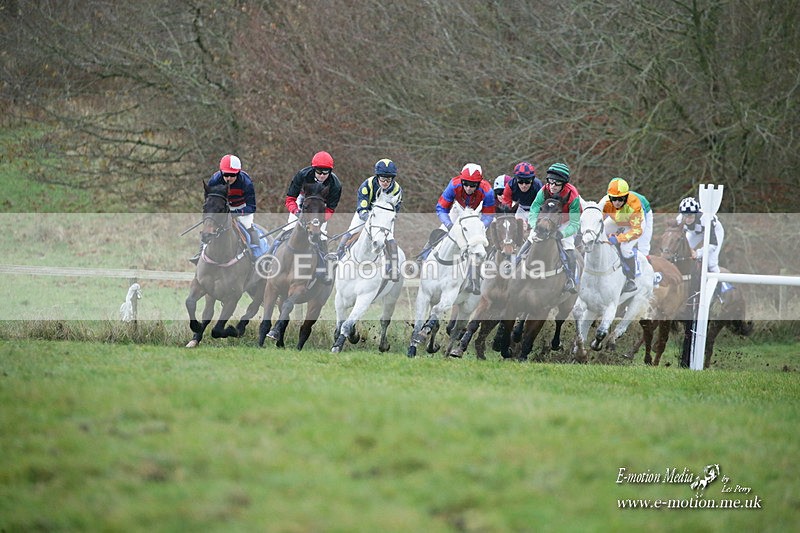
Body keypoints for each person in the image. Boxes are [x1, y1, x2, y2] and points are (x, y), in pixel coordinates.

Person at [420, 163, 496, 294]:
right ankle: (424, 256)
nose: (468, 187)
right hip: (458, 210)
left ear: (479, 183)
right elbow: (441, 208)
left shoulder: (487, 190)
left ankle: (475, 278)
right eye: (465, 183)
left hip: (476, 214)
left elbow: (489, 215)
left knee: (478, 244)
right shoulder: (454, 184)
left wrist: (478, 229)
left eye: (472, 185)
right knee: (441, 230)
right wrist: (449, 225)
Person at [336, 158, 403, 280]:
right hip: (365, 213)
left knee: (390, 238)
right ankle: (336, 257)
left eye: (388, 179)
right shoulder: (367, 184)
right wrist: (369, 219)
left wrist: (386, 219)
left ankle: (393, 268)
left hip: (384, 216)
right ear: (377, 176)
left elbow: (395, 208)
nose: (385, 182)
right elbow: (362, 205)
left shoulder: (397, 190)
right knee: (350, 232)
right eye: (382, 178)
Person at [283, 150, 343, 281]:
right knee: (288, 229)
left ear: (330, 172)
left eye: (325, 173)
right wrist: (297, 212)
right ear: (313, 169)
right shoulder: (302, 175)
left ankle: (324, 268)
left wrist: (319, 220)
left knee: (320, 235)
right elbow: (290, 199)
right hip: (302, 204)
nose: (322, 175)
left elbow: (331, 209)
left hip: (320, 209)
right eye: (319, 172)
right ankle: (271, 254)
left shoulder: (335, 184)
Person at [189, 154, 258, 265]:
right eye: (226, 174)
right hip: (221, 208)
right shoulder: (215, 180)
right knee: (209, 228)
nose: (229, 178)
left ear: (238, 173)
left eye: (232, 175)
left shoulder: (246, 183)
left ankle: (256, 255)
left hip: (241, 208)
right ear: (221, 172)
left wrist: (235, 213)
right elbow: (209, 201)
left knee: (249, 228)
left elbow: (252, 207)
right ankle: (200, 254)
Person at [524, 162, 582, 293]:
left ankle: (571, 279)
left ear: (564, 184)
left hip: (565, 221)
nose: (553, 186)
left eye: (557, 183)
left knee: (568, 245)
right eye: (550, 181)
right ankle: (515, 264)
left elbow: (574, 224)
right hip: (546, 219)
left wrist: (562, 234)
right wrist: (534, 225)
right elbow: (534, 210)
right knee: (531, 238)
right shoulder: (544, 190)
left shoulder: (573, 196)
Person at [600, 177, 653, 293]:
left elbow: (636, 231)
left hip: (636, 222)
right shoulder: (605, 202)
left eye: (621, 199)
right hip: (618, 218)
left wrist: (618, 238)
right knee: (601, 231)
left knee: (625, 247)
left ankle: (631, 279)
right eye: (614, 199)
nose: (617, 202)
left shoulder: (634, 204)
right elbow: (598, 220)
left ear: (626, 197)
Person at [677, 196, 724, 273]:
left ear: (696, 214)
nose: (688, 219)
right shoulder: (679, 220)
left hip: (715, 230)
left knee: (711, 263)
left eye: (691, 216)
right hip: (695, 232)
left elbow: (713, 244)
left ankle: (719, 283)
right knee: (682, 251)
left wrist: (698, 253)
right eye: (685, 216)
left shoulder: (705, 219)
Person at [501, 161, 543, 228]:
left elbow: (541, 206)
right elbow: (506, 204)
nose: (524, 185)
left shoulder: (538, 186)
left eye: (527, 182)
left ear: (532, 180)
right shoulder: (510, 186)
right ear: (516, 179)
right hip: (521, 208)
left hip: (535, 209)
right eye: (520, 181)